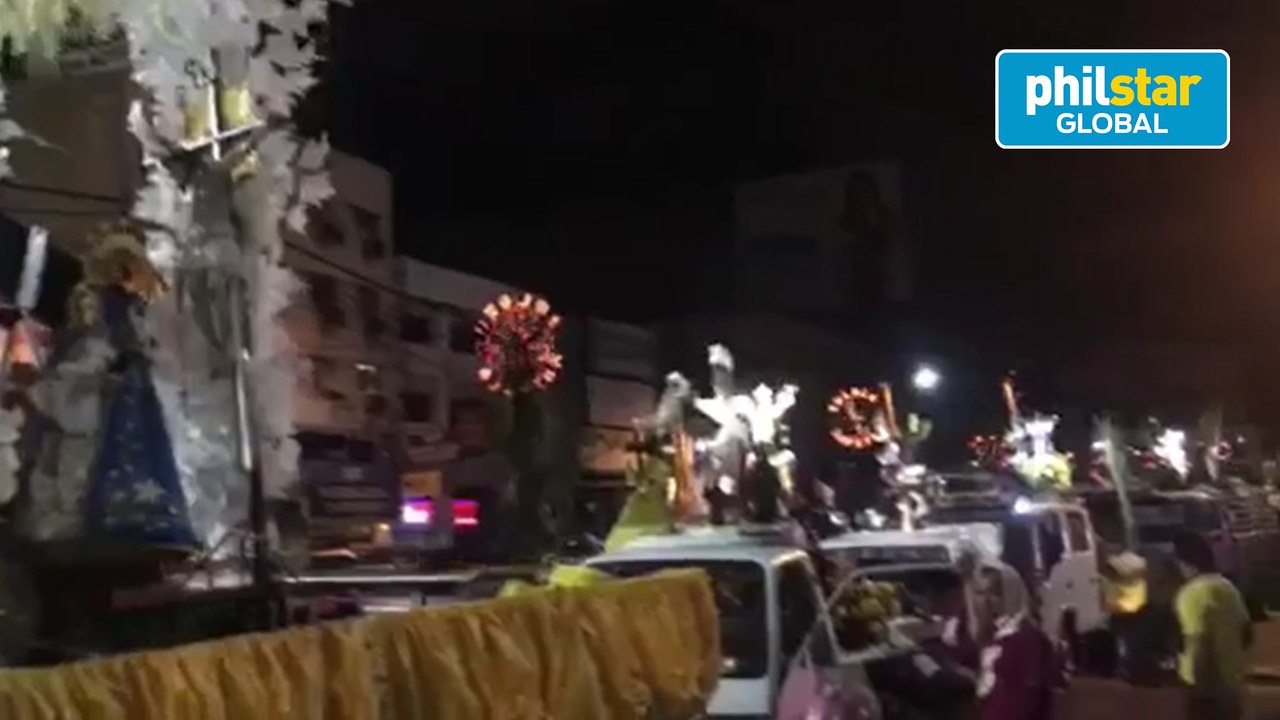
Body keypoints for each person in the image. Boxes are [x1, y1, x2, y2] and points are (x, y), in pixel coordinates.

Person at [1172, 531, 1251, 720]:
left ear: (1186, 564)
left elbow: (1200, 643)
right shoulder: (1228, 588)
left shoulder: (1191, 594)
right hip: (1232, 684)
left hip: (1204, 686)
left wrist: (1203, 691)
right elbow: (1247, 634)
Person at [975, 563, 1061, 720]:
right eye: (981, 593)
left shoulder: (1028, 637)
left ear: (1011, 594)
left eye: (995, 594)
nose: (986, 601)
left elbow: (1030, 697)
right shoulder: (995, 634)